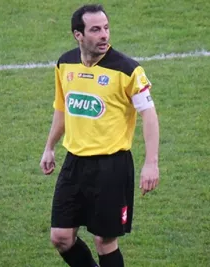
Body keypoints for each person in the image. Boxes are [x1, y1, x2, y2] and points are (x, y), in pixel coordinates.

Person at [40, 4, 160, 267]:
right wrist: (49, 147)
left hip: (112, 166)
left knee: (104, 242)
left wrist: (151, 163)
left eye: (106, 28)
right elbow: (62, 108)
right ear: (78, 35)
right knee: (61, 237)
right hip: (74, 163)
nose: (104, 35)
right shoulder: (65, 64)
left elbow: (149, 115)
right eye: (95, 30)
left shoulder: (127, 70)